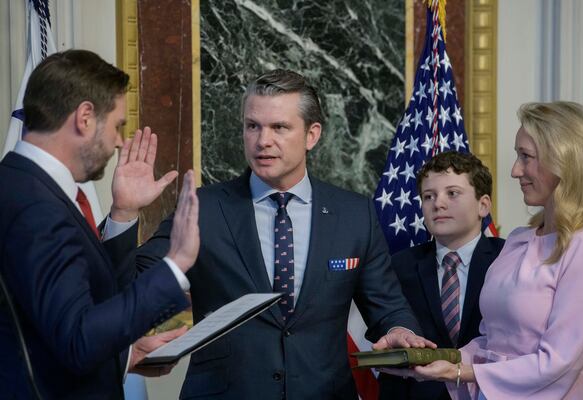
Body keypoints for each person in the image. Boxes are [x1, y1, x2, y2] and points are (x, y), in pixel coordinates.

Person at [133, 69, 434, 399]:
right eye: (253, 126)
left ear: (312, 135)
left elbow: (387, 306)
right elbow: (136, 281)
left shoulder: (354, 215)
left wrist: (400, 331)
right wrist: (124, 214)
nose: (263, 141)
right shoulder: (203, 207)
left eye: (279, 127)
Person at [0, 49, 199, 399]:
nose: (120, 141)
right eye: (118, 125)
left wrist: (123, 213)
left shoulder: (16, 183)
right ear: (86, 117)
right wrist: (175, 265)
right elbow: (78, 340)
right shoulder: (38, 208)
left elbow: (50, 329)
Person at [381, 101, 583, 399]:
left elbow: (559, 362)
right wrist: (437, 361)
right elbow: (489, 342)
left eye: (526, 156)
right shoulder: (519, 240)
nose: (514, 170)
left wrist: (458, 372)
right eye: (517, 156)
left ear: (564, 160)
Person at [378, 151, 504, 400]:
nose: (438, 204)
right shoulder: (398, 266)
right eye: (428, 196)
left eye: (452, 193)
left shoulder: (509, 259)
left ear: (483, 205)